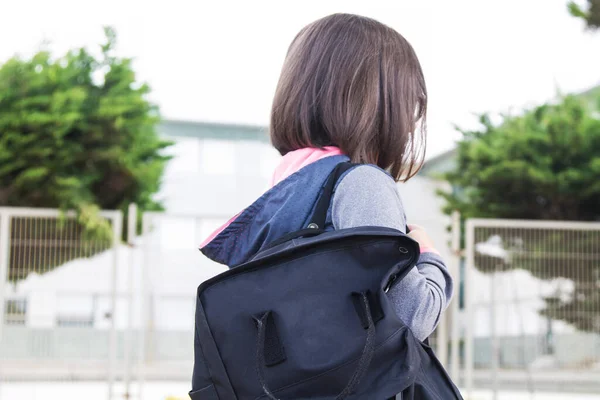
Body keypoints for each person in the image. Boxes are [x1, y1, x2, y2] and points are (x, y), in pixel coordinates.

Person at [201, 11, 452, 377]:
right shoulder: (362, 184)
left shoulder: (287, 190)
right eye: (408, 101)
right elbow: (413, 317)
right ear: (379, 102)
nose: (412, 119)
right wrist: (429, 256)